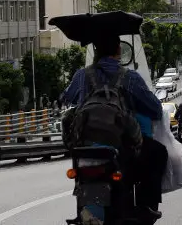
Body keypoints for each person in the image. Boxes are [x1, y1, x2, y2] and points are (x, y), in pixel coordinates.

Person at [62, 33, 166, 221]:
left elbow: (65, 98)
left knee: (80, 171)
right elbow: (156, 110)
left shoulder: (81, 75)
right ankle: (144, 205)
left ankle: (84, 214)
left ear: (95, 50)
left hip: (84, 147)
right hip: (120, 146)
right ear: (119, 50)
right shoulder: (130, 77)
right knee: (158, 153)